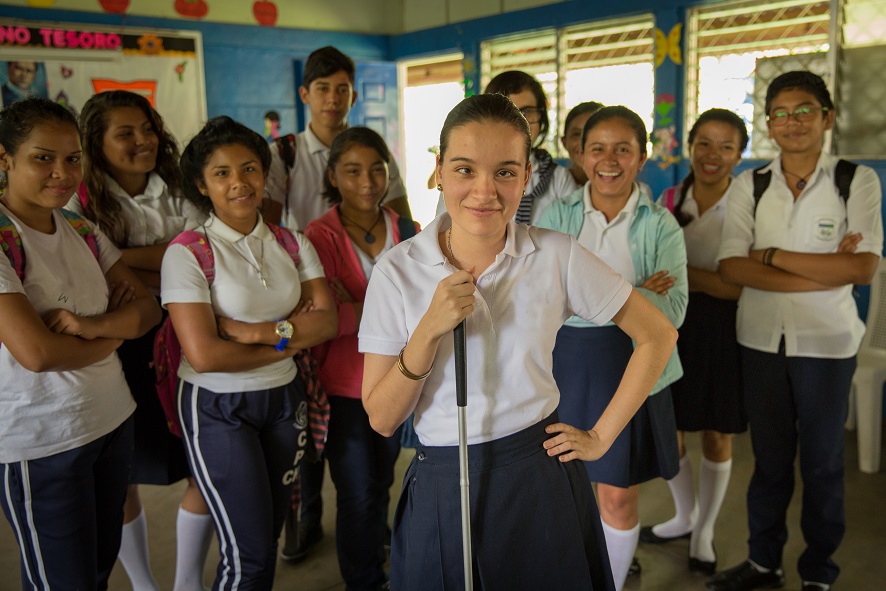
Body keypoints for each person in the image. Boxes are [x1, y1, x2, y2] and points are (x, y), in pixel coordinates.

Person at [360, 92, 678, 591]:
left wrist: (600, 436)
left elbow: (657, 334)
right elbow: (381, 419)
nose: (485, 191)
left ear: (527, 176)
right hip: (444, 477)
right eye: (465, 169)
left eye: (505, 172)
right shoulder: (397, 270)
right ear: (437, 170)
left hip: (540, 472)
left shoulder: (555, 253)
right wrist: (426, 333)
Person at [708, 72, 882, 591]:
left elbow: (863, 270)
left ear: (827, 117)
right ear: (768, 124)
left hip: (828, 344)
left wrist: (772, 257)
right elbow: (731, 269)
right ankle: (765, 562)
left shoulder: (857, 180)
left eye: (804, 110)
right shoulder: (751, 183)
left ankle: (819, 573)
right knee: (770, 462)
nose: (792, 122)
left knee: (825, 465)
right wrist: (823, 269)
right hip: (760, 340)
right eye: (780, 114)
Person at [162, 115, 337, 589]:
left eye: (249, 168)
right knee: (252, 555)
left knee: (268, 534)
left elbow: (327, 322)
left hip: (283, 400)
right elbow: (206, 356)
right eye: (222, 173)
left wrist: (257, 333)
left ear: (264, 174)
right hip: (218, 406)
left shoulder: (290, 242)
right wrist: (290, 339)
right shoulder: (188, 252)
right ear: (202, 183)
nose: (239, 182)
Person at [0, 97, 161, 589]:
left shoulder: (80, 228)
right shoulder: (5, 239)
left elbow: (149, 311)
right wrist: (114, 332)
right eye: (42, 157)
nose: (61, 173)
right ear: (4, 160)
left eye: (72, 158)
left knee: (95, 570)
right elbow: (39, 353)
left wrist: (90, 328)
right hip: (44, 442)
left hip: (109, 422)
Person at [537, 105, 687, 591]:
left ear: (642, 158)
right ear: (579, 154)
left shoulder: (660, 224)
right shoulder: (556, 215)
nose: (609, 159)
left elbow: (675, 310)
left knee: (618, 498)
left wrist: (582, 294)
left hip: (636, 367)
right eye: (597, 147)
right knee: (564, 493)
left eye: (623, 148)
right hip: (566, 368)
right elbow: (540, 297)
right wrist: (635, 290)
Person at [66, 90, 211, 591]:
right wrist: (173, 252)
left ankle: (188, 582)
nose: (142, 141)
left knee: (203, 456)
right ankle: (146, 584)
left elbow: (202, 249)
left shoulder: (177, 185)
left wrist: (123, 256)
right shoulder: (76, 197)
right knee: (124, 469)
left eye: (147, 128)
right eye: (124, 133)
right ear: (96, 143)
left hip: (188, 332)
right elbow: (99, 269)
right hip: (124, 345)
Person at [305, 126, 420, 591]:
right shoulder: (320, 234)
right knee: (356, 492)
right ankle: (365, 580)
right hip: (343, 387)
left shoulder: (405, 228)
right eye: (352, 171)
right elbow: (326, 318)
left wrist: (353, 306)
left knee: (384, 481)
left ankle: (377, 544)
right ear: (334, 176)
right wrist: (387, 307)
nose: (367, 181)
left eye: (377, 169)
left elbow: (420, 302)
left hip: (398, 381)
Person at [638, 109, 749, 576]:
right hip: (675, 325)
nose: (713, 156)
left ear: (740, 154)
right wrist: (711, 279)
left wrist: (686, 277)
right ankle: (684, 515)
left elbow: (737, 286)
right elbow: (655, 277)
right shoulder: (667, 198)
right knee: (674, 428)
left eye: (726, 147)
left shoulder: (747, 203)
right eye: (704, 143)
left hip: (729, 329)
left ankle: (704, 531)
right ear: (689, 145)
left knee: (718, 432)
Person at [265, 45, 412, 232]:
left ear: (353, 97)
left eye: (342, 90)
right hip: (306, 259)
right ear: (304, 94)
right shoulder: (283, 153)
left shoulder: (373, 151)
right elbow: (270, 231)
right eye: (323, 89)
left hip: (369, 260)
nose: (332, 98)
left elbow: (402, 226)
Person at [434, 70, 578, 224]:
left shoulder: (559, 179)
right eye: (507, 111)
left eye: (527, 112)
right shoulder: (458, 180)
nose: (519, 121)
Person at [561, 101, 604, 186]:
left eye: (594, 134)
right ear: (564, 142)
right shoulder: (553, 183)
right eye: (577, 134)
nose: (584, 142)